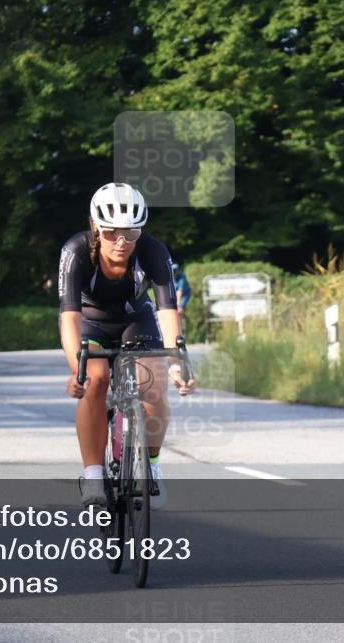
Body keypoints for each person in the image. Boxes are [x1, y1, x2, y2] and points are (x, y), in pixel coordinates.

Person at [58, 182, 196, 510]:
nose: (121, 242)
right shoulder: (76, 250)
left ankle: (152, 464)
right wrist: (78, 372)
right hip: (91, 322)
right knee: (96, 379)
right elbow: (69, 319)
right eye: (111, 233)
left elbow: (167, 309)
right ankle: (93, 474)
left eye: (131, 234)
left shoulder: (154, 251)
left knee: (155, 383)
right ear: (95, 227)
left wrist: (177, 363)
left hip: (136, 318)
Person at [172, 262, 191, 327]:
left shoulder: (182, 277)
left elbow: (179, 293)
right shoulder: (171, 276)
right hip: (175, 293)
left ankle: (179, 326)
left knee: (179, 310)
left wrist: (178, 305)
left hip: (185, 294)